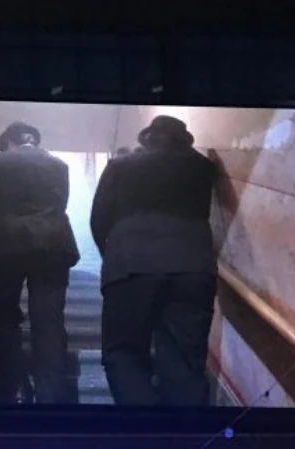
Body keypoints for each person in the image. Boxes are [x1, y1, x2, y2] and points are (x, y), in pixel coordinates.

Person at [90, 115, 217, 405]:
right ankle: (186, 439)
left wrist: (110, 256)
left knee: (124, 354)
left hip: (131, 266)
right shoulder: (203, 167)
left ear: (146, 138)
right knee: (184, 361)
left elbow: (99, 219)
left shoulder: (121, 166)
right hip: (194, 268)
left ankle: (145, 433)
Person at [0, 121, 80, 404]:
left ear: (8, 142)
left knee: (6, 317)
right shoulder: (59, 165)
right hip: (52, 247)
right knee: (48, 320)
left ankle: (16, 387)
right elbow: (61, 206)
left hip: (5, 248)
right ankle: (51, 393)